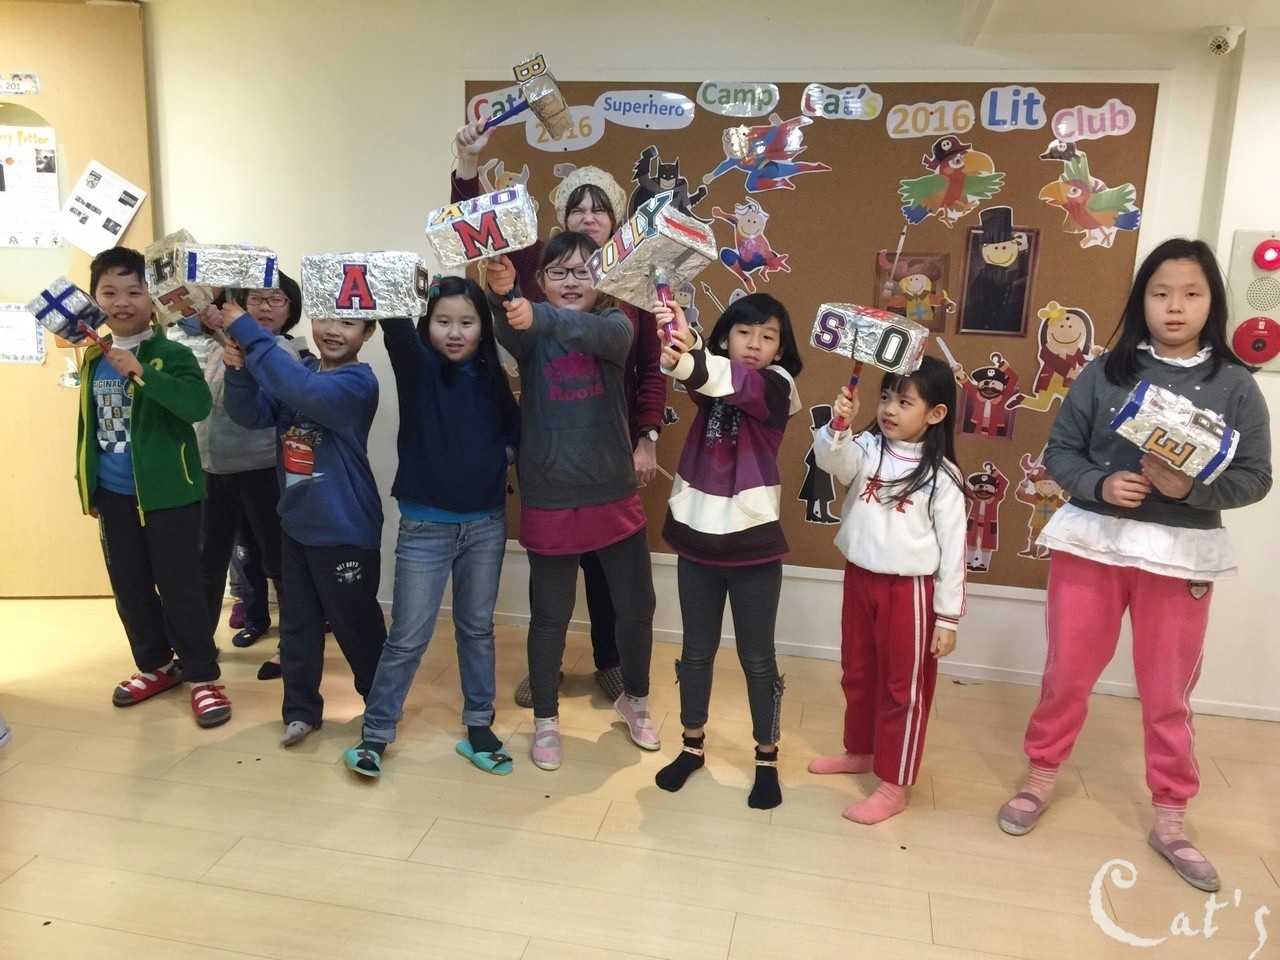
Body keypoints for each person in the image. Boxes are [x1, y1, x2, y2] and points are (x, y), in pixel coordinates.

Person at [996, 239, 1272, 892]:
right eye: (1160, 293)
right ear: (1141, 300)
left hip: (1182, 556)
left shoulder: (1235, 384)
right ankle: (1039, 779)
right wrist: (1099, 485)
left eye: (1191, 293)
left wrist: (1192, 490)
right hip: (1094, 544)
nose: (1175, 306)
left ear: (1213, 301)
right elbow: (1061, 451)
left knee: (1167, 693)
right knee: (1067, 673)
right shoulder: (1104, 371)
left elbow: (1256, 478)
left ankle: (1171, 818)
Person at [454, 120, 666, 707]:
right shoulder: (538, 266)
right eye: (578, 207)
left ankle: (610, 663)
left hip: (611, 451)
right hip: (551, 453)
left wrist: (647, 436)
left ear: (615, 221)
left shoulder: (632, 283)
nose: (587, 217)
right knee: (552, 579)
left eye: (599, 209)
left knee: (613, 575)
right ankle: (546, 673)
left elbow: (651, 366)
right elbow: (482, 239)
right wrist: (468, 168)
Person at [486, 233, 658, 771]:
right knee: (550, 616)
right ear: (541, 280)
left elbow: (589, 332)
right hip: (550, 492)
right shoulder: (528, 331)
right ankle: (545, 719)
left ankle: (636, 699)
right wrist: (501, 295)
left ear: (602, 278)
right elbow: (508, 327)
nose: (571, 281)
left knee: (638, 606)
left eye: (583, 271)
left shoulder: (616, 325)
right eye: (558, 272)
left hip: (612, 488)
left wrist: (531, 311)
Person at [343, 275, 520, 778]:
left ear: (483, 328)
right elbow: (397, 321)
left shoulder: (491, 376)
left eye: (466, 322)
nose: (455, 332)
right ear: (427, 326)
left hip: (485, 525)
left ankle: (480, 726)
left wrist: (502, 457)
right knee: (407, 637)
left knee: (477, 630)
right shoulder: (417, 365)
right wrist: (394, 279)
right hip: (426, 527)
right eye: (443, 322)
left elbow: (515, 426)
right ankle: (375, 735)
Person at [649, 294, 804, 810]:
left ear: (780, 350)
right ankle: (692, 747)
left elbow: (733, 382)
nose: (755, 344)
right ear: (725, 338)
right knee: (695, 651)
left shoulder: (777, 386)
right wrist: (682, 343)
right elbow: (700, 374)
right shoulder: (714, 374)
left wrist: (693, 347)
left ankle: (767, 758)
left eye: (768, 336)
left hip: (753, 545)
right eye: (744, 332)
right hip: (696, 539)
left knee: (758, 659)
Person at [210, 297, 387, 747]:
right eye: (325, 317)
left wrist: (249, 333)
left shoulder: (358, 382)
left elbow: (308, 394)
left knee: (357, 627)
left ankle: (382, 707)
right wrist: (237, 369)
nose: (333, 329)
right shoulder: (301, 372)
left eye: (349, 322)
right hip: (296, 526)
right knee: (297, 627)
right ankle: (301, 711)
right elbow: (250, 414)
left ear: (368, 333)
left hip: (345, 529)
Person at [808, 356, 967, 824]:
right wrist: (840, 422)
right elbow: (832, 461)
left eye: (904, 402)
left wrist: (947, 618)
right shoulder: (867, 447)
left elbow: (954, 552)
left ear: (935, 414)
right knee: (857, 672)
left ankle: (894, 784)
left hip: (909, 592)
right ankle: (860, 750)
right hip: (860, 579)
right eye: (885, 398)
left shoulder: (943, 477)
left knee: (904, 689)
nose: (889, 409)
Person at [75, 247, 229, 727]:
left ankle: (202, 677)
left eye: (133, 291)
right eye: (109, 292)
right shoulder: (93, 357)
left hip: (171, 496)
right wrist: (89, 486)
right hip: (114, 497)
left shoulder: (172, 354)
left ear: (152, 298)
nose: (122, 302)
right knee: (130, 587)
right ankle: (157, 666)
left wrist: (141, 372)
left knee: (181, 588)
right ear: (95, 299)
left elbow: (196, 406)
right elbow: (89, 428)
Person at [196, 277, 307, 664]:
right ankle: (199, 648)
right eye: (256, 298)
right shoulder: (223, 348)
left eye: (277, 300)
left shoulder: (279, 350)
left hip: (263, 470)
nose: (264, 306)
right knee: (213, 562)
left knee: (278, 561)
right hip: (215, 470)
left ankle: (293, 648)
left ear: (291, 310)